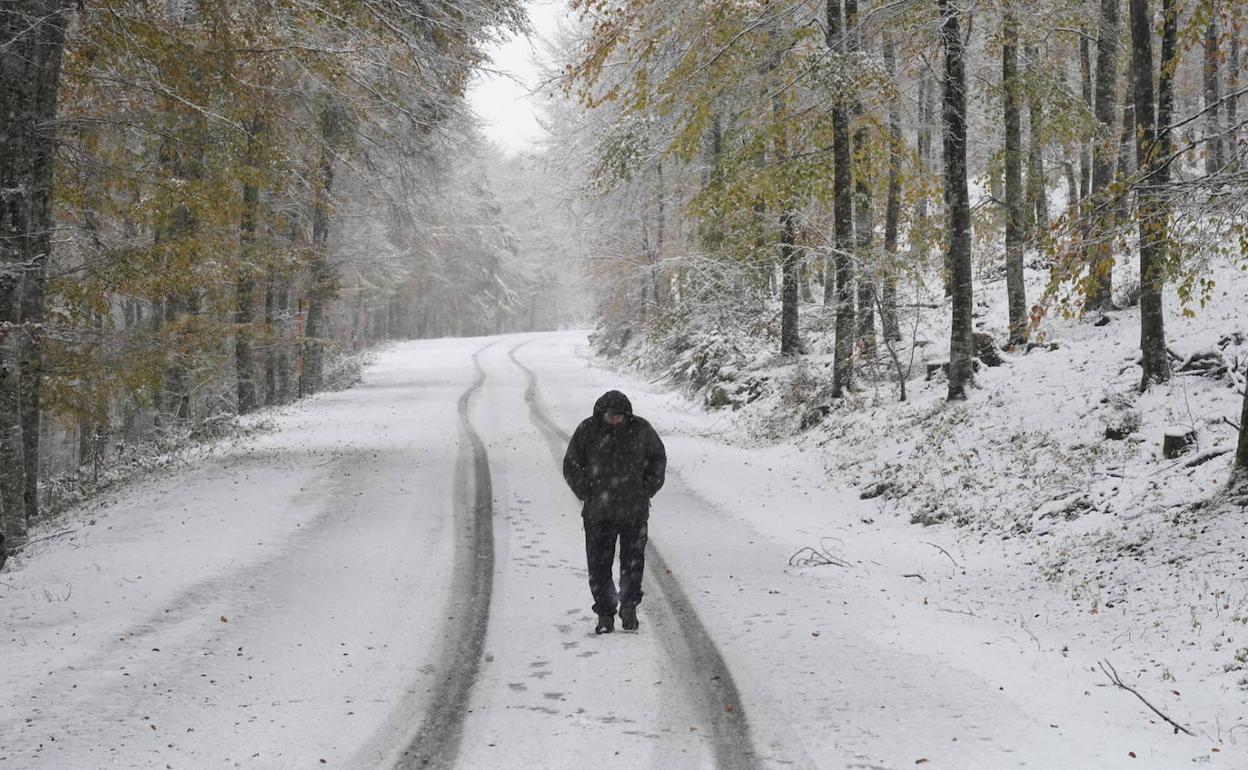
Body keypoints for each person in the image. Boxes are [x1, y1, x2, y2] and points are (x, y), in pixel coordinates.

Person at [562, 390, 666, 634]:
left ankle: (629, 608)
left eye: (620, 417)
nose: (615, 421)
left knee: (632, 564)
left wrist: (646, 488)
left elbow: (657, 459)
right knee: (598, 566)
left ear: (627, 415)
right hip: (598, 513)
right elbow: (572, 464)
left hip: (634, 511)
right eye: (611, 416)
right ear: (601, 414)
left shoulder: (642, 430)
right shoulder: (587, 430)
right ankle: (605, 614)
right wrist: (586, 491)